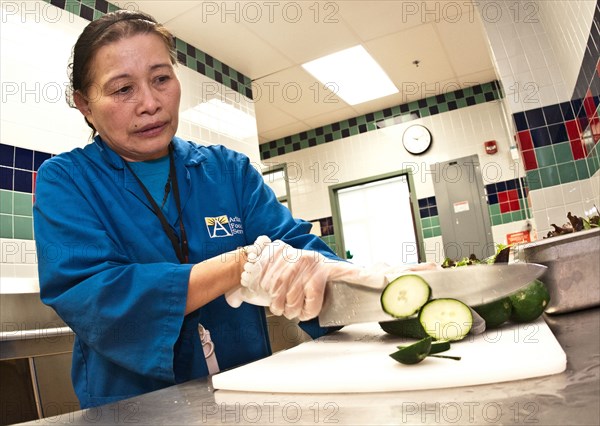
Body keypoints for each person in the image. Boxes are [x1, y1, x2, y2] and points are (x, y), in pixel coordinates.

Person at [33, 10, 385, 409]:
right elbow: (95, 294)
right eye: (122, 90)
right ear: (85, 105)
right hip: (134, 407)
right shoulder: (67, 180)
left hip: (247, 394)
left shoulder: (228, 171)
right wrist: (241, 263)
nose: (150, 103)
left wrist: (380, 292)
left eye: (161, 79)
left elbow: (302, 255)